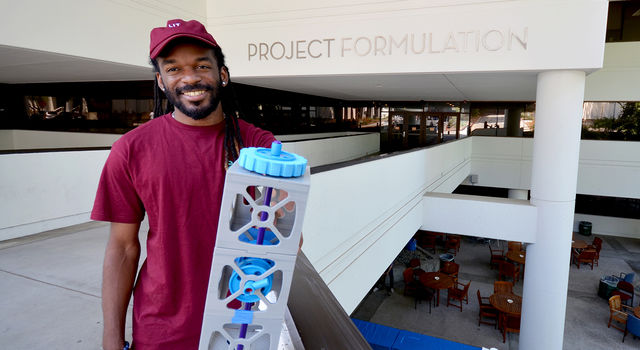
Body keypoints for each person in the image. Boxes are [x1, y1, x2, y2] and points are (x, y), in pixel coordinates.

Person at [91, 19, 277, 350]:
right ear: (161, 81)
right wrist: (111, 338)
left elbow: (284, 244)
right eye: (174, 68)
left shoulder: (258, 146)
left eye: (201, 65)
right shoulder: (132, 149)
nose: (190, 78)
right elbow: (122, 247)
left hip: (240, 325)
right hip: (161, 331)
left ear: (222, 73)